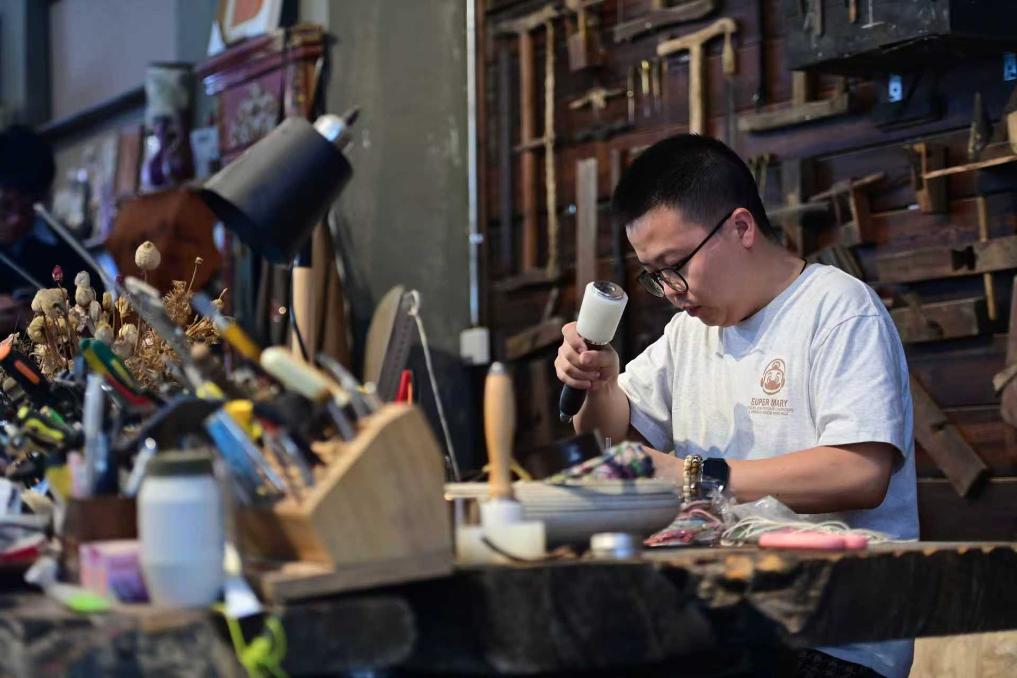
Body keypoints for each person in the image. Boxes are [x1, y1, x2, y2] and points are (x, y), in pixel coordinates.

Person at [555, 134, 917, 678]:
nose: (671, 290)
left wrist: (697, 476)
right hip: (727, 618)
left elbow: (860, 473)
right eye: (654, 275)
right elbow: (616, 443)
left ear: (741, 228)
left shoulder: (837, 310)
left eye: (675, 265)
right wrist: (598, 385)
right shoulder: (688, 334)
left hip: (833, 636)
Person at [0, 125, 102, 334]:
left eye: (27, 208)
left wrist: (48, 323)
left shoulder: (69, 255)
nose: (16, 220)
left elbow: (99, 323)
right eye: (6, 206)